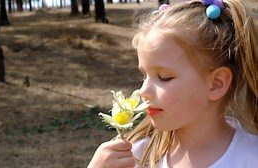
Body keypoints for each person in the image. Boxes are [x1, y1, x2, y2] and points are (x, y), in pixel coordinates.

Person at [87, 0, 258, 167]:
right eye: (144, 76)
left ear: (216, 84)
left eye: (163, 77)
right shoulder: (137, 156)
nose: (142, 91)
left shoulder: (251, 158)